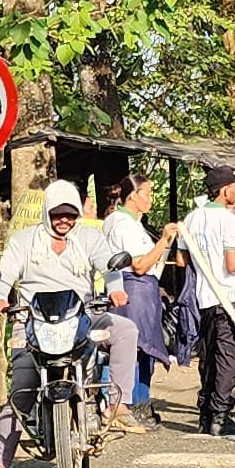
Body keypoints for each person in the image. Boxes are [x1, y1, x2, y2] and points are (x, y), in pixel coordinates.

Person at [0, 181, 125, 468]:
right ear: (47, 212)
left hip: (79, 318)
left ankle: (122, 403)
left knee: (127, 330)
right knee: (21, 388)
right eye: (58, 214)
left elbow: (109, 266)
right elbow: (4, 273)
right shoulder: (25, 240)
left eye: (71, 214)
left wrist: (116, 287)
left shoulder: (89, 237)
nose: (64, 220)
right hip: (32, 322)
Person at [172, 169, 235, 433]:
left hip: (204, 299)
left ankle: (205, 415)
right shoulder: (228, 220)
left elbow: (181, 260)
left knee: (209, 357)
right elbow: (232, 264)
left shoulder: (192, 219)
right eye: (234, 186)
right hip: (231, 297)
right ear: (223, 190)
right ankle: (219, 415)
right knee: (230, 359)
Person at [100, 173, 174, 429]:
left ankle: (140, 404)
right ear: (133, 196)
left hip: (144, 291)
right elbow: (140, 265)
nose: (151, 199)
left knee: (144, 351)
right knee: (135, 349)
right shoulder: (121, 223)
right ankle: (128, 405)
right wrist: (163, 240)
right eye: (148, 193)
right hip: (132, 290)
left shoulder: (132, 222)